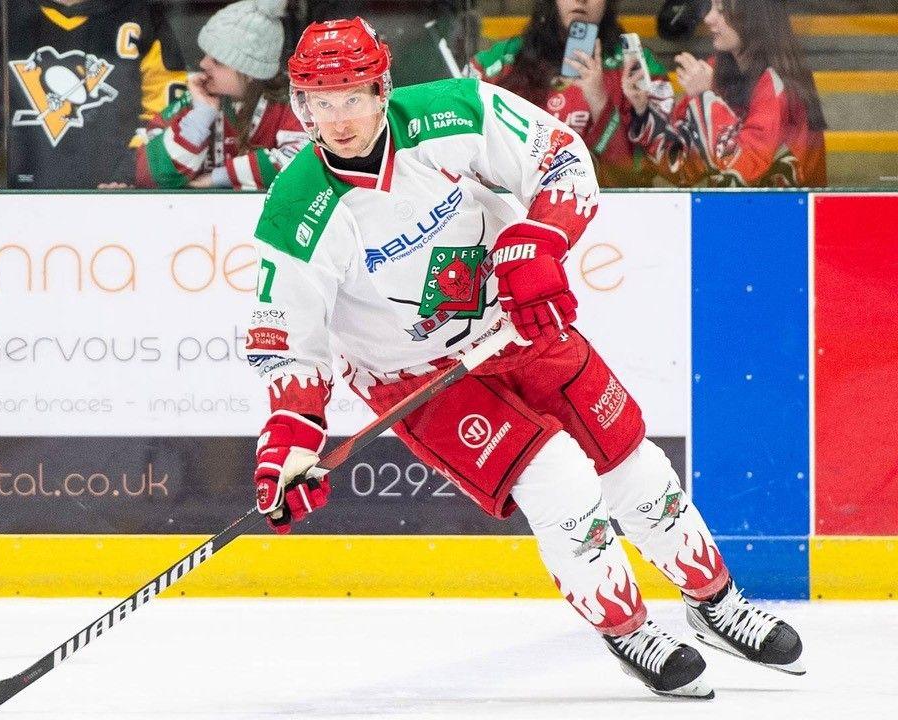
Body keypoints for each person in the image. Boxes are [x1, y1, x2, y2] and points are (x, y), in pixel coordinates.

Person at [245, 17, 805, 699]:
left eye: (352, 97)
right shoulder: (296, 209)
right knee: (562, 480)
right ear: (300, 106)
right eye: (318, 101)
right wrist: (290, 439)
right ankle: (628, 629)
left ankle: (715, 604)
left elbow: (561, 155)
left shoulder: (451, 111)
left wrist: (539, 241)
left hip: (517, 320)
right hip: (418, 377)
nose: (338, 119)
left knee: (631, 461)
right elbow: (288, 340)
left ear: (382, 87)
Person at [0, 0, 188, 190]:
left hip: (114, 204)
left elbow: (167, 106)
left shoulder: (141, 15)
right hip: (14, 201)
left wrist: (134, 169)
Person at [466, 0, 672, 187]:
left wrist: (600, 100)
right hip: (516, 211)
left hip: (609, 212)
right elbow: (462, 146)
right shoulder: (500, 61)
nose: (580, 0)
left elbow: (641, 176)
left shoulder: (636, 68)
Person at [627, 0, 826, 187]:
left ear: (753, 17)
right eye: (711, 7)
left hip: (787, 218)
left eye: (721, 10)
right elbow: (681, 167)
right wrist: (643, 110)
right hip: (734, 215)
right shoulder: (715, 71)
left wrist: (706, 97)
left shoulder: (780, 82)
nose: (708, 18)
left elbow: (740, 175)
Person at [134, 0, 307, 191]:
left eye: (217, 61)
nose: (203, 64)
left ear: (249, 72)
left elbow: (303, 162)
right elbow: (147, 175)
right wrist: (199, 119)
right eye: (206, 54)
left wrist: (222, 177)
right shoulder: (196, 101)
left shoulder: (292, 105)